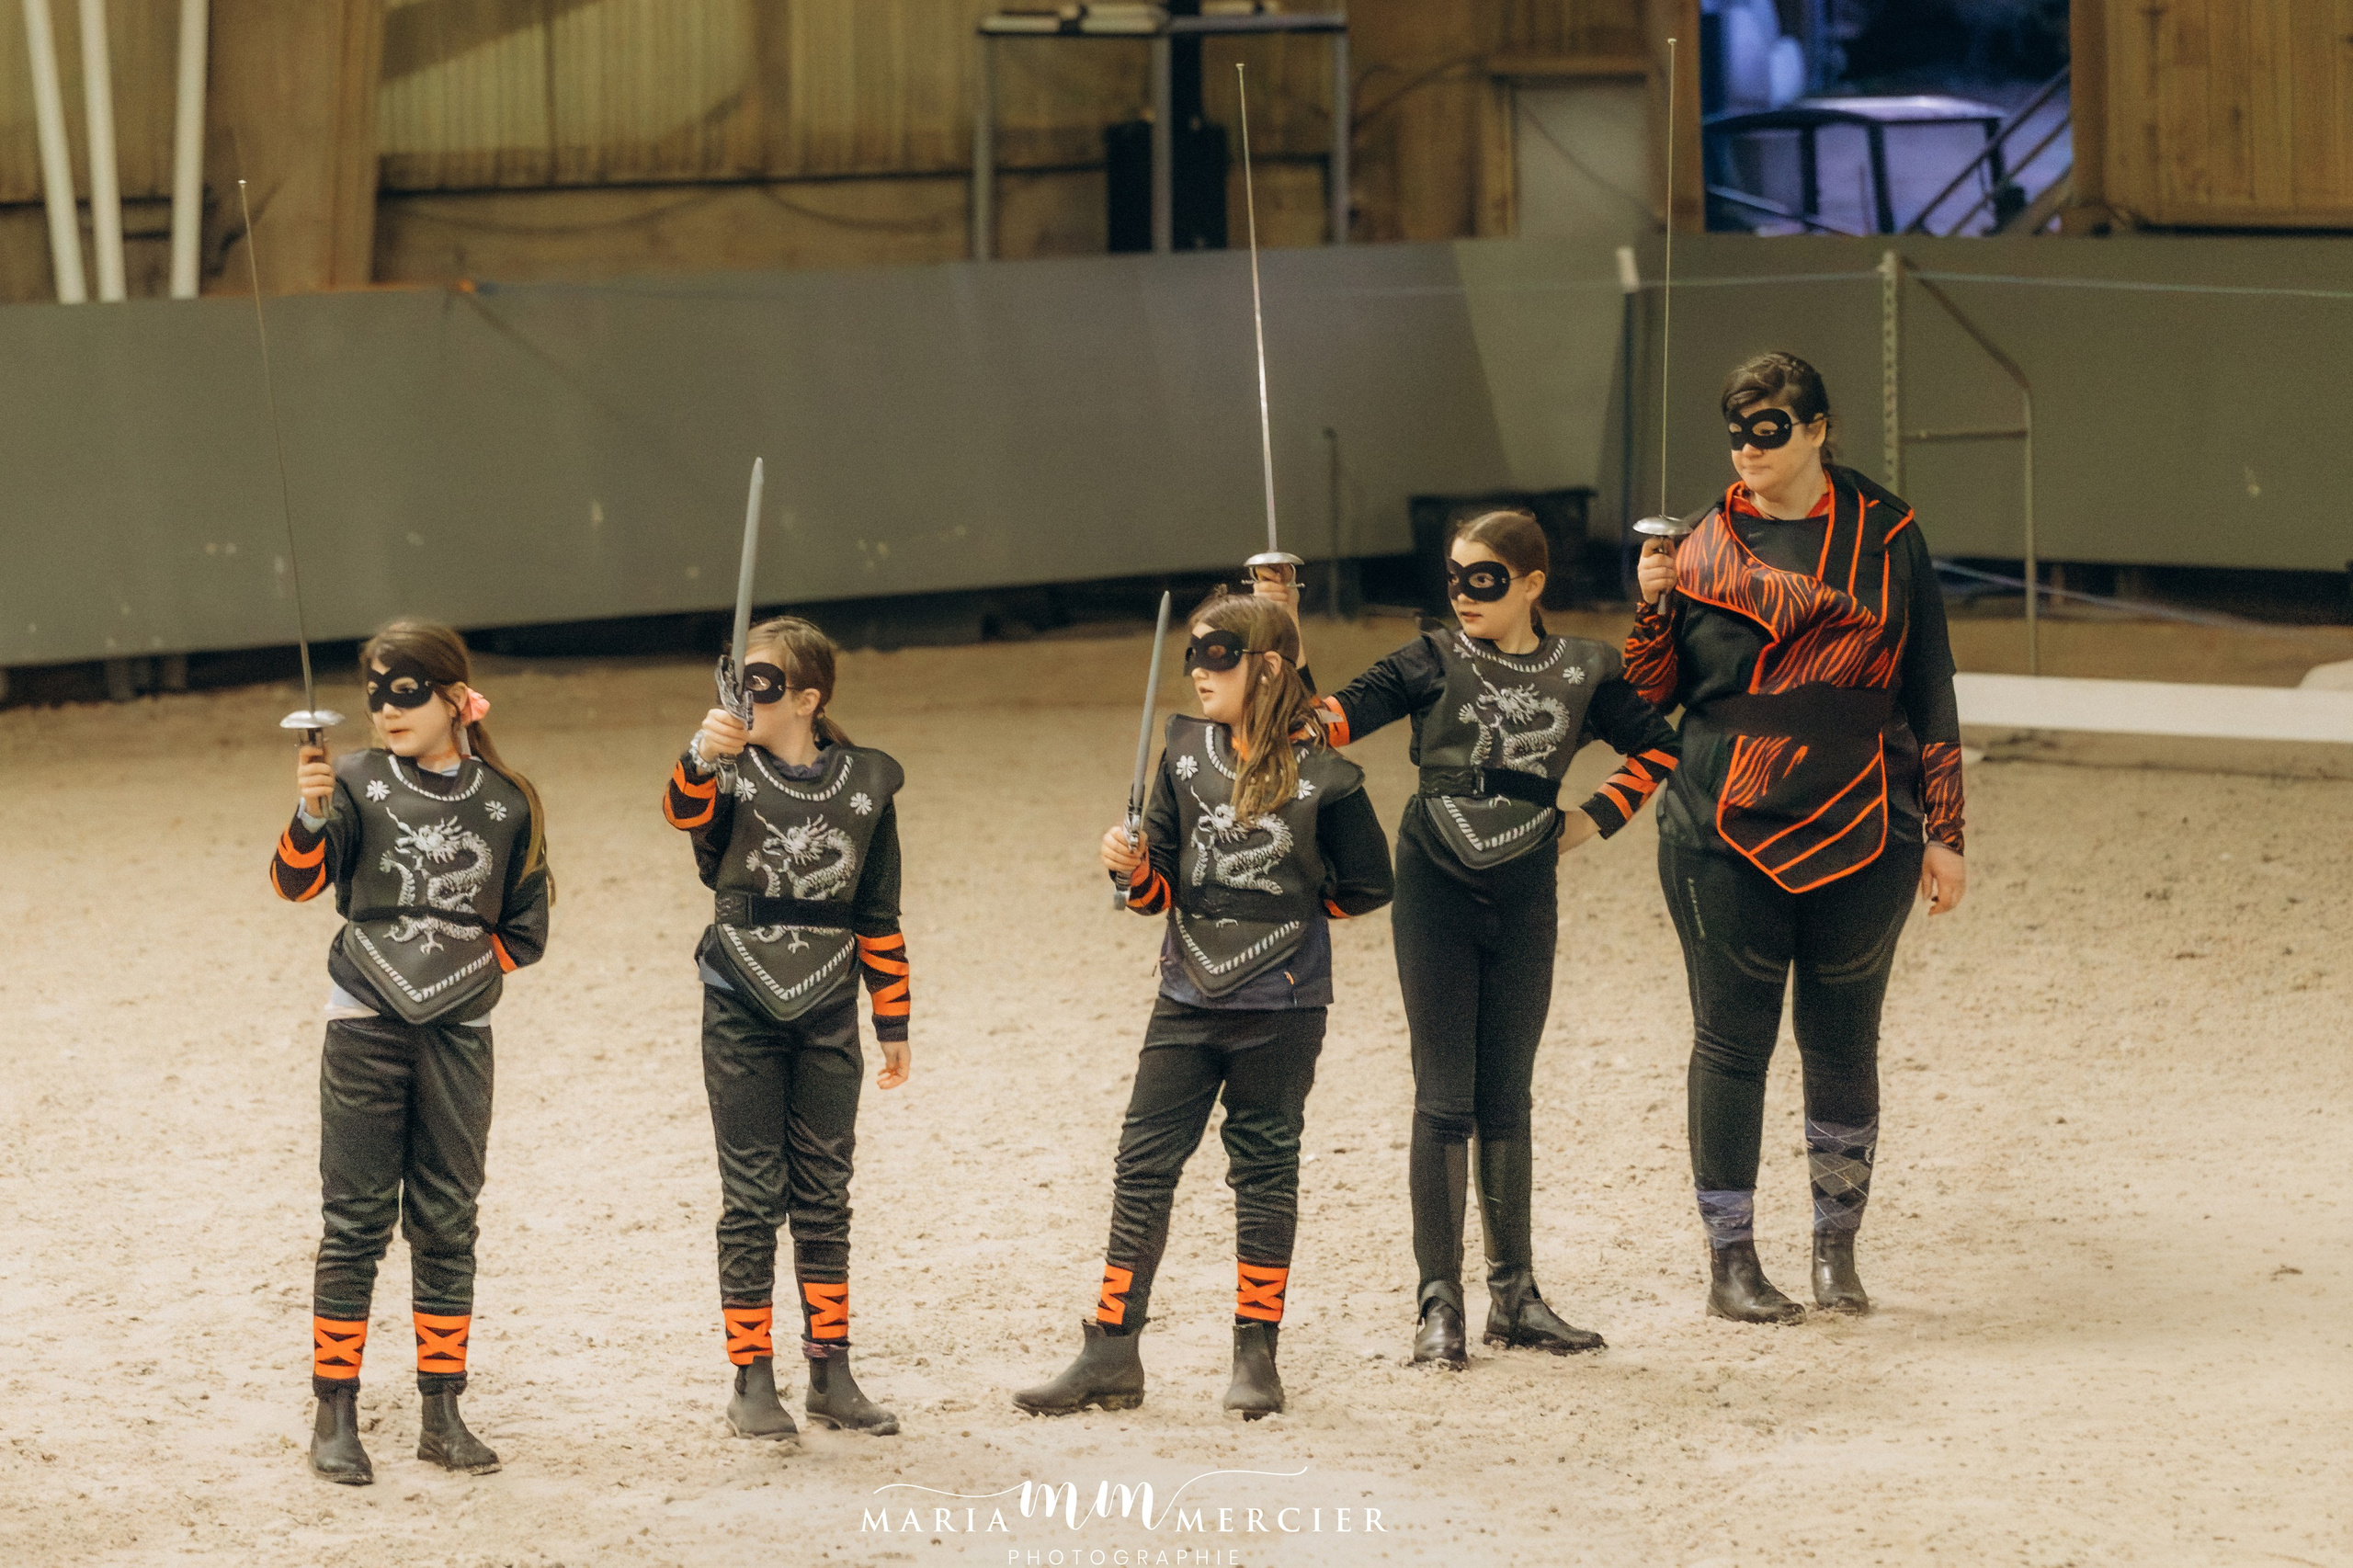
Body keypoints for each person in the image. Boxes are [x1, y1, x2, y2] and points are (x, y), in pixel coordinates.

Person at [1626, 350, 1967, 1323]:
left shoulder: (1886, 531)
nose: (1747, 446)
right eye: (1735, 429)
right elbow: (1648, 700)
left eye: (1769, 427)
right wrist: (1651, 607)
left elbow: (1929, 680)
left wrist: (1944, 829)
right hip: (1719, 828)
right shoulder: (1695, 549)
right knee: (1729, 1043)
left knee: (1843, 1038)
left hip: (1866, 817)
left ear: (1818, 429)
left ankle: (1835, 1247)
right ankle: (1729, 1261)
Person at [1304, 511, 1680, 1368]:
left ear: (1532, 583)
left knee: (1508, 1093)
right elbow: (1335, 717)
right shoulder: (1431, 657)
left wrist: (1593, 819)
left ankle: (1515, 1295)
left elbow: (1659, 747)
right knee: (1443, 1096)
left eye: (1485, 579)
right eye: (1455, 577)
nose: (1465, 595)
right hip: (1435, 882)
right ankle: (1439, 1302)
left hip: (1525, 890)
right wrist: (1285, 660)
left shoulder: (1584, 667)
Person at [1015, 593, 1393, 1420]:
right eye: (1191, 656)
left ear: (1266, 667)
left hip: (1283, 1007)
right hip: (1186, 996)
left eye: (1216, 656)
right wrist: (1129, 866)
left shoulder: (1325, 773)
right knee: (1142, 1166)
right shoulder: (1184, 754)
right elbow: (1156, 892)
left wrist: (1288, 917)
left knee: (1264, 1170)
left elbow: (1370, 883)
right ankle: (1111, 1348)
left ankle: (1257, 1354)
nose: (1197, 672)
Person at [270, 620, 554, 1483]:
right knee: (354, 1223)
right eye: (376, 694)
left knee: (448, 1222)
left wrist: (456, 972)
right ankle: (335, 1414)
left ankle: (442, 1410)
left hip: (459, 1034)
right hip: (363, 1022)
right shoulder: (353, 780)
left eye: (407, 692)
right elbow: (295, 882)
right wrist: (310, 812)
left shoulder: (509, 801)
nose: (388, 710)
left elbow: (527, 930)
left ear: (452, 696)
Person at [663, 616, 911, 1442]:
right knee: (751, 1195)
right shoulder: (726, 776)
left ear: (808, 698)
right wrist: (703, 755)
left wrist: (894, 1018)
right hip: (740, 997)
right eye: (736, 681)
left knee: (824, 1192)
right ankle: (751, 1377)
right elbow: (680, 812)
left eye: (763, 684)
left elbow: (877, 909)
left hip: (830, 1003)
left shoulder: (867, 781)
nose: (745, 698)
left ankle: (830, 1372)